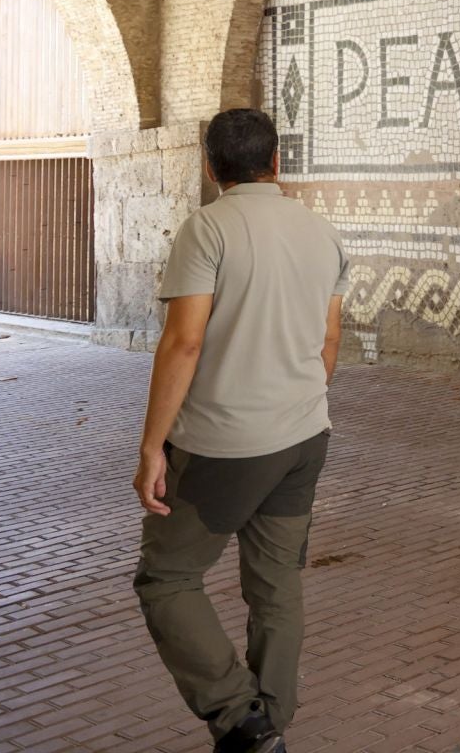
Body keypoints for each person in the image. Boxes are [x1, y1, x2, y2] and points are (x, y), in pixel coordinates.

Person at [130, 109, 349, 753]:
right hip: (305, 438)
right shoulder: (323, 233)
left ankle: (238, 717)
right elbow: (329, 342)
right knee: (276, 581)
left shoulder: (207, 230)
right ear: (276, 162)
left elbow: (184, 343)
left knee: (167, 579)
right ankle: (270, 728)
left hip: (224, 443)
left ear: (209, 166)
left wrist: (151, 448)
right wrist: (294, 402)